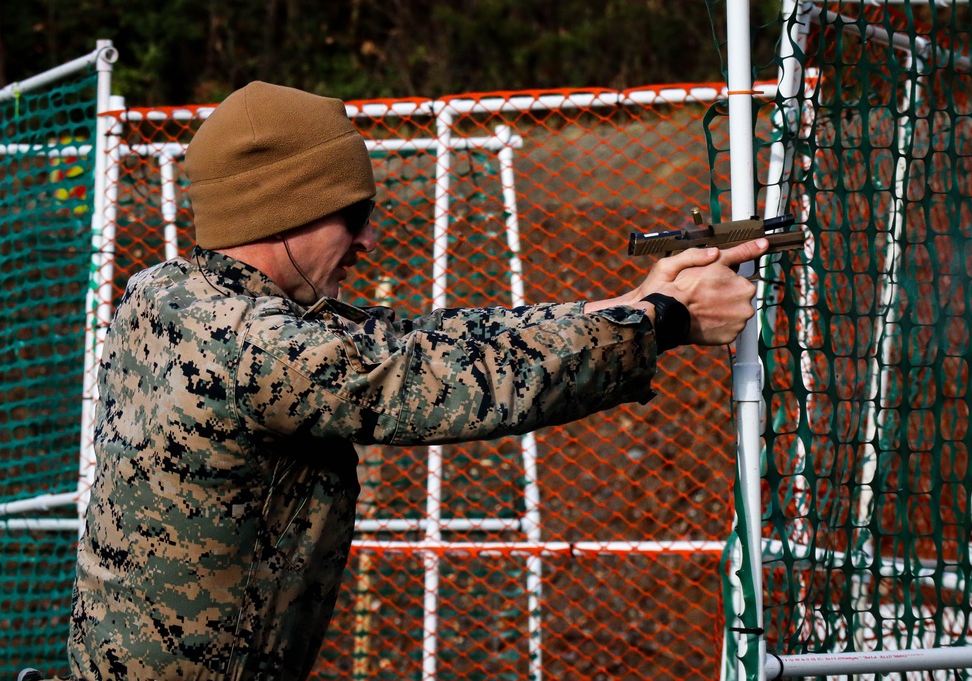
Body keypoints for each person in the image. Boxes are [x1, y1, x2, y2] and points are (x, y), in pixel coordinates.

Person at [60, 81, 767, 680]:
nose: (367, 241)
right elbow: (447, 381)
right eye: (355, 215)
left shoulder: (169, 292)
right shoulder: (259, 348)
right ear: (285, 209)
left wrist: (621, 308)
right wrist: (662, 324)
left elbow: (408, 338)